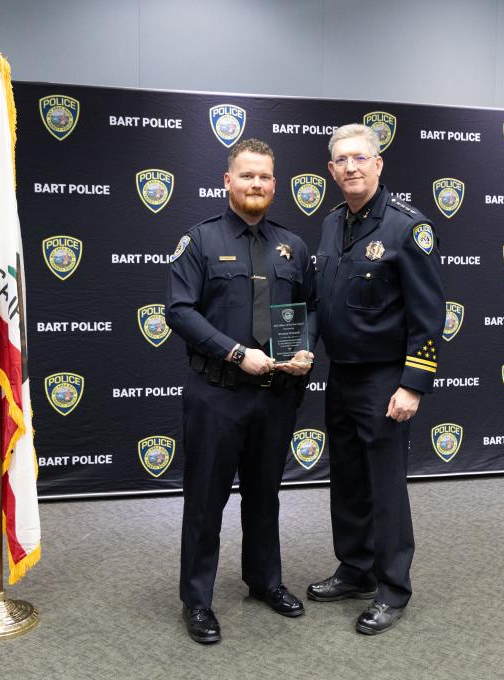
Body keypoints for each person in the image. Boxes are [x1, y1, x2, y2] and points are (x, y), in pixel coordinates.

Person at [165, 138, 315, 644]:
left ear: (275, 184)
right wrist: (234, 352)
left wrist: (305, 348)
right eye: (247, 175)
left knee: (265, 496)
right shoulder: (200, 241)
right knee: (205, 501)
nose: (256, 184)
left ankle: (264, 581)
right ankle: (198, 599)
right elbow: (179, 311)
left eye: (265, 177)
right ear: (227, 180)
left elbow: (310, 309)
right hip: (218, 393)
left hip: (274, 395)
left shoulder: (292, 245)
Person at [307, 124, 445, 635]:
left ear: (379, 164)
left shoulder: (408, 227)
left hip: (386, 379)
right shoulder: (330, 224)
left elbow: (430, 314)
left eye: (361, 158)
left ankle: (392, 588)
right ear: (331, 170)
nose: (351, 168)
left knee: (385, 487)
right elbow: (321, 299)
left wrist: (413, 383)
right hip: (341, 375)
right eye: (342, 160)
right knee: (346, 479)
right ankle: (356, 567)